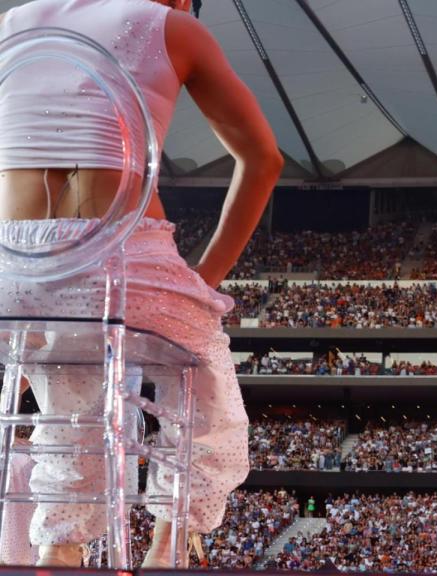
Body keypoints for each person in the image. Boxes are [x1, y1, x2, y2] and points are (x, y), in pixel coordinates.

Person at [0, 0, 282, 567]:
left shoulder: (13, 21)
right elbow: (263, 159)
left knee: (71, 408)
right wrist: (206, 281)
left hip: (14, 264)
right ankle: (171, 538)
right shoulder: (173, 25)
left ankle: (60, 544)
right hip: (123, 256)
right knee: (210, 396)